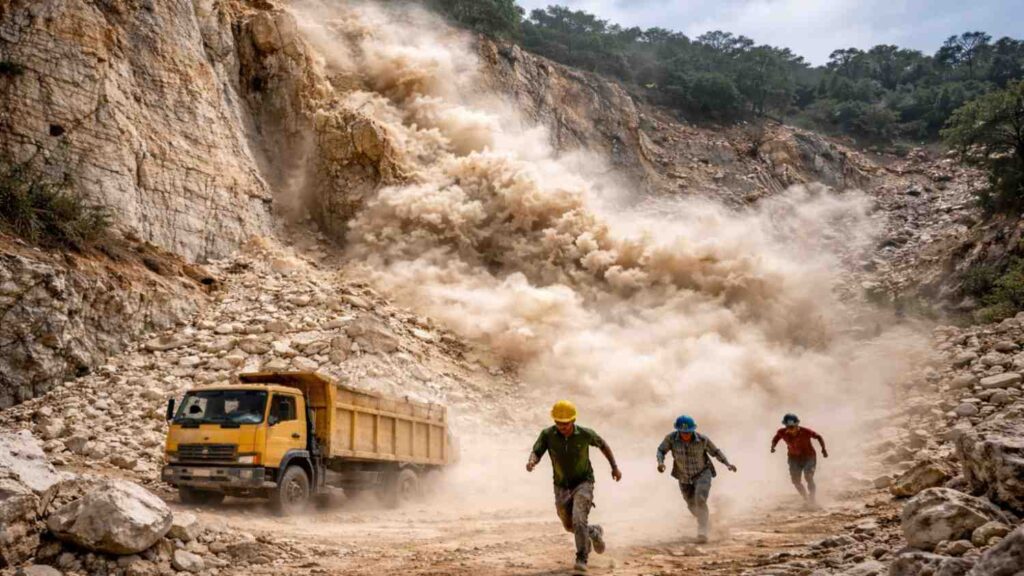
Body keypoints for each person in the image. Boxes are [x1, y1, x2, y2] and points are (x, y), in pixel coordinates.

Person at [527, 400, 622, 574]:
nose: (561, 426)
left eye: (565, 423)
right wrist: (532, 461)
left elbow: (603, 445)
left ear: (573, 420)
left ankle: (581, 557)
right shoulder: (547, 435)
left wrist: (614, 467)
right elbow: (537, 450)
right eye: (558, 423)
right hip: (561, 486)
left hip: (583, 482)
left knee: (579, 519)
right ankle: (594, 532)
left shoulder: (585, 434)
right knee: (570, 526)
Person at [656, 415, 737, 543]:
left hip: (702, 473)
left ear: (693, 430)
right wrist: (660, 463)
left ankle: (702, 531)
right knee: (691, 505)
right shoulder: (670, 439)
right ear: (678, 431)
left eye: (688, 432)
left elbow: (715, 452)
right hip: (683, 476)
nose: (686, 435)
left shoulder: (703, 440)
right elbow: (661, 450)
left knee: (700, 499)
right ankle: (706, 522)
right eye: (683, 433)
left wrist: (727, 464)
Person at [771, 413, 827, 506]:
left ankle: (812, 498)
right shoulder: (782, 432)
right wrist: (773, 446)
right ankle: (805, 498)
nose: (790, 429)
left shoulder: (806, 432)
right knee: (795, 481)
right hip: (793, 458)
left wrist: (823, 449)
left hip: (809, 457)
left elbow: (818, 437)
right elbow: (776, 438)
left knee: (808, 477)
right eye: (788, 427)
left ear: (797, 425)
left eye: (792, 427)